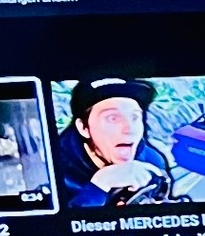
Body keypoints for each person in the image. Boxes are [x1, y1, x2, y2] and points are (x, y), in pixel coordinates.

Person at [57, 77, 173, 205]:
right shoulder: (53, 171)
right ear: (84, 128)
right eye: (112, 118)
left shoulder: (153, 161)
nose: (129, 129)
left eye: (134, 117)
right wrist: (100, 185)